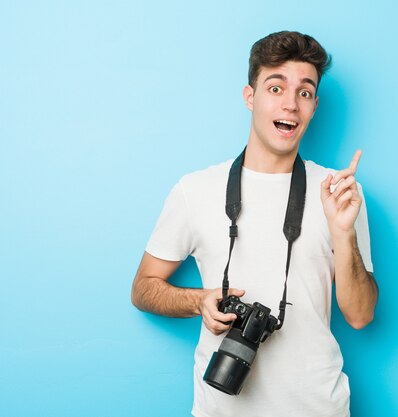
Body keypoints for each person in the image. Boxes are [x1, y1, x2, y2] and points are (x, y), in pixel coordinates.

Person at [131, 30, 378, 417]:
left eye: (305, 92)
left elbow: (360, 316)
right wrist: (200, 302)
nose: (291, 105)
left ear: (314, 107)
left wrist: (343, 231)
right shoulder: (195, 190)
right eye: (276, 88)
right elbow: (143, 289)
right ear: (251, 97)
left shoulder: (339, 192)